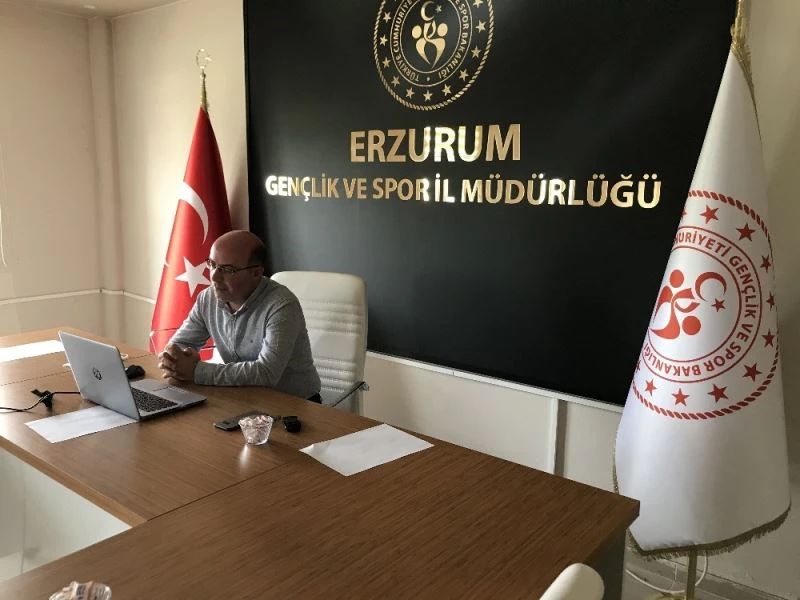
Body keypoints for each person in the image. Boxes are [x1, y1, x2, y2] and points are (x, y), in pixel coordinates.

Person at [158, 230, 322, 402]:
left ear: (256, 273)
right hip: (242, 397)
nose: (214, 277)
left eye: (228, 269)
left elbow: (266, 373)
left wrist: (197, 371)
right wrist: (173, 359)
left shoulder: (281, 305)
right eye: (212, 265)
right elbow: (179, 345)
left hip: (295, 405)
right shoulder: (208, 298)